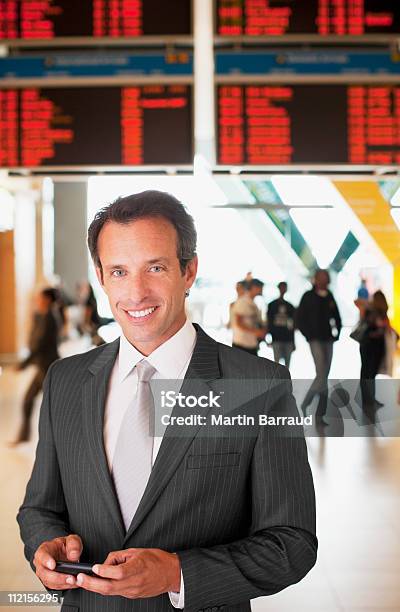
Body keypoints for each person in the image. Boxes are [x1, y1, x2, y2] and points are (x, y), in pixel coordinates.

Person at [17, 191, 317, 612]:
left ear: (189, 271)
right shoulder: (66, 381)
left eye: (155, 268)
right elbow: (38, 507)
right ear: (101, 278)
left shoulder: (259, 385)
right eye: (119, 271)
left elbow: (292, 543)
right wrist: (45, 545)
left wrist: (177, 572)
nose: (136, 292)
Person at [11, 287, 60, 444]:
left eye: (39, 298)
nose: (36, 300)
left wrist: (23, 364)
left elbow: (38, 344)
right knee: (30, 400)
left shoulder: (50, 318)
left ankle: (58, 441)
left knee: (51, 406)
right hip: (43, 367)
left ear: (47, 299)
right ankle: (24, 436)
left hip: (48, 368)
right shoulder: (43, 316)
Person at [296, 269, 342, 424]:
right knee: (321, 373)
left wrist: (337, 333)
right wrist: (308, 335)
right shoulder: (307, 296)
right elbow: (299, 318)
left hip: (328, 339)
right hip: (314, 339)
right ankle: (306, 404)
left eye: (325, 277)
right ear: (315, 279)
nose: (323, 280)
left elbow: (337, 316)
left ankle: (319, 414)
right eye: (320, 277)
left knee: (324, 375)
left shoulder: (329, 296)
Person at [231, 278, 266, 355]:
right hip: (242, 344)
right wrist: (256, 331)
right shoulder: (243, 301)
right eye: (260, 288)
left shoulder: (252, 302)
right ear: (253, 288)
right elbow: (238, 323)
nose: (261, 290)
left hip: (250, 343)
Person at [267, 282, 296, 368]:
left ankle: (285, 381)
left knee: (287, 365)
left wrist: (293, 341)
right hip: (276, 338)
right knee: (276, 364)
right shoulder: (272, 305)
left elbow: (292, 325)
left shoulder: (290, 306)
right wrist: (269, 337)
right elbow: (269, 323)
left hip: (288, 338)